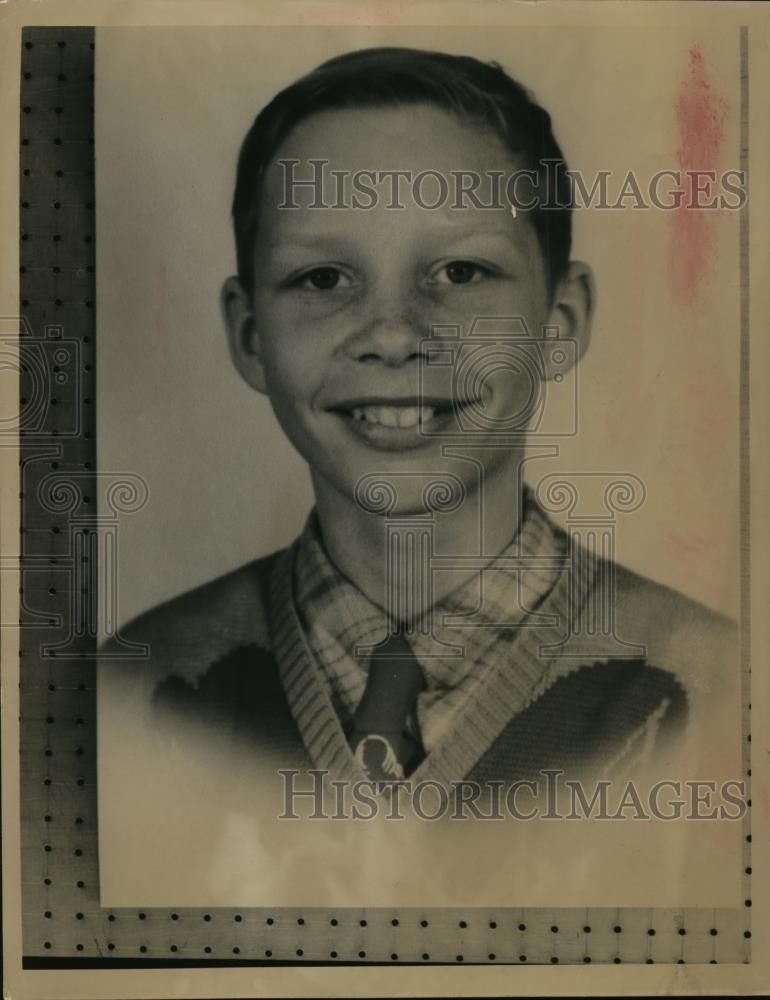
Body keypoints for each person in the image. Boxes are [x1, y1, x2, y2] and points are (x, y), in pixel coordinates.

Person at [99, 47, 738, 810]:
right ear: (249, 336)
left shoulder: (725, 693)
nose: (394, 336)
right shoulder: (125, 695)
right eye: (324, 278)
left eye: (461, 273)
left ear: (559, 322)